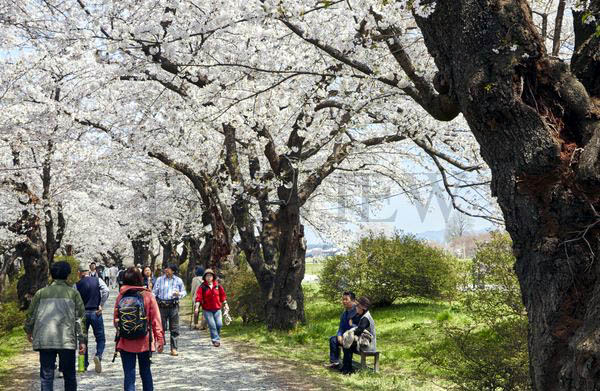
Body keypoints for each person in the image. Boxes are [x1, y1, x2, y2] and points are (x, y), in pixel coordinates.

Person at [24, 261, 86, 391]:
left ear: (51, 274)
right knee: (69, 376)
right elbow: (80, 319)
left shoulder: (41, 293)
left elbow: (31, 315)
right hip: (66, 341)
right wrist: (82, 340)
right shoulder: (73, 294)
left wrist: (29, 331)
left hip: (45, 339)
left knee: (46, 376)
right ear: (68, 275)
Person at [114, 267, 164, 391]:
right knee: (146, 373)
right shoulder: (148, 295)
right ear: (140, 279)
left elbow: (116, 322)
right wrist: (160, 339)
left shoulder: (121, 296)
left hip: (125, 341)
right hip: (144, 341)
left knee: (129, 376)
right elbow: (156, 320)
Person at [76, 262, 110, 373]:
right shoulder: (97, 280)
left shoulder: (76, 284)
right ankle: (98, 355)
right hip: (96, 312)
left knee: (82, 340)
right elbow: (106, 290)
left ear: (79, 273)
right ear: (88, 271)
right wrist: (101, 304)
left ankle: (82, 365)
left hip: (82, 315)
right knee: (100, 338)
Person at [152, 264, 186, 356]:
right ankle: (161, 344)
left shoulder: (178, 280)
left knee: (174, 328)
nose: (166, 270)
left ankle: (174, 348)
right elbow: (154, 292)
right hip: (161, 306)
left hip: (173, 306)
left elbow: (184, 292)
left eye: (169, 269)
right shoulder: (159, 279)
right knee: (161, 327)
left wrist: (178, 294)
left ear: (173, 271)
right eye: (166, 268)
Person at [340, 296, 376, 375]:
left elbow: (359, 331)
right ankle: (346, 367)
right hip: (363, 341)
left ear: (362, 308)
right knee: (347, 344)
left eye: (357, 307)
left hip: (368, 344)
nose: (356, 309)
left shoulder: (365, 318)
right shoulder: (363, 315)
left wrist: (350, 331)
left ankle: (347, 369)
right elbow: (354, 320)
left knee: (348, 345)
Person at [324, 291, 359, 369]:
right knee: (333, 339)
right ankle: (335, 362)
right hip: (345, 336)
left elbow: (358, 328)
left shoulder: (358, 312)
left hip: (357, 338)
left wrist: (346, 335)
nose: (344, 301)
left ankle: (347, 367)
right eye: (343, 299)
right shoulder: (344, 313)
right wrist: (339, 335)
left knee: (347, 342)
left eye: (346, 299)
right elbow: (341, 327)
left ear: (353, 301)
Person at [194, 268, 227, 347]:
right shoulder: (202, 287)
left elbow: (223, 296)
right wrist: (197, 307)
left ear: (213, 277)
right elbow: (198, 298)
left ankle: (216, 337)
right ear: (204, 277)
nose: (209, 277)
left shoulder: (218, 286)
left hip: (217, 309)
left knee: (219, 324)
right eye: (207, 276)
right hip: (207, 309)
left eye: (210, 276)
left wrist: (226, 304)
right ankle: (215, 340)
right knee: (212, 325)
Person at [190, 266, 205, 330]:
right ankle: (203, 325)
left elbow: (193, 289)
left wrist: (192, 295)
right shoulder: (205, 278)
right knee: (204, 312)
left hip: (197, 297)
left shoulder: (195, 279)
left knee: (196, 311)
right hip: (205, 297)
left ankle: (195, 324)